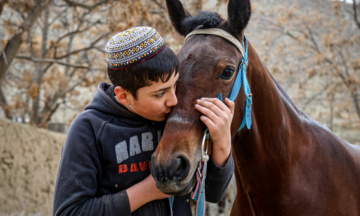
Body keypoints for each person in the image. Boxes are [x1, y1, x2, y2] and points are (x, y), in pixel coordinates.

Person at [53, 26, 235, 215]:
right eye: (159, 94)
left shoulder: (171, 117)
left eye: (175, 86)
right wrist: (147, 191)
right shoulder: (89, 128)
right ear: (124, 96)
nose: (173, 100)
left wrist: (222, 142)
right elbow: (69, 212)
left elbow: (212, 194)